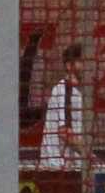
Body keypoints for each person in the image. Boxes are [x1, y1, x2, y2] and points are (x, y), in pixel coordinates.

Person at [37, 41, 89, 172]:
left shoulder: (78, 93)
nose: (87, 66)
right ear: (69, 65)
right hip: (56, 168)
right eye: (82, 61)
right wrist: (89, 156)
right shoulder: (64, 90)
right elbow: (64, 132)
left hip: (69, 168)